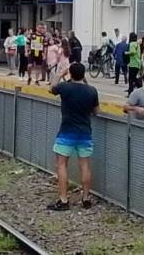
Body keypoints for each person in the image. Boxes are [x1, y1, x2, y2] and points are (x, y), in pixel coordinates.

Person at [48, 63, 99, 211]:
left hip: (67, 132)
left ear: (70, 73)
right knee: (85, 165)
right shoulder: (91, 91)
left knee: (62, 164)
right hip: (85, 132)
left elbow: (51, 89)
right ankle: (86, 198)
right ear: (84, 74)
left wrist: (59, 74)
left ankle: (64, 200)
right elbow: (96, 111)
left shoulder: (65, 87)